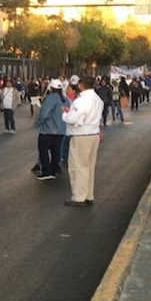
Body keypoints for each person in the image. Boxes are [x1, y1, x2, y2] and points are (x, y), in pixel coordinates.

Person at [62, 74, 104, 207]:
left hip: (81, 136)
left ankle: (79, 197)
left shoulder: (81, 101)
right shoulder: (98, 99)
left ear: (81, 85)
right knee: (89, 167)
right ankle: (88, 195)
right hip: (93, 134)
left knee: (78, 167)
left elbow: (72, 119)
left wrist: (65, 114)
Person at [36, 79, 69, 180]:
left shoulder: (50, 99)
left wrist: (38, 123)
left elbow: (44, 114)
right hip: (61, 129)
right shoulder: (66, 100)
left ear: (51, 88)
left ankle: (46, 171)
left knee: (43, 149)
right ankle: (55, 167)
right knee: (56, 149)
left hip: (48, 129)